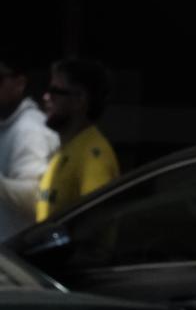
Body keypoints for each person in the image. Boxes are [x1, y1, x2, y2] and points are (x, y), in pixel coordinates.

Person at [36, 57, 117, 222]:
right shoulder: (65, 149)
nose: (46, 97)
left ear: (80, 100)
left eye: (55, 92)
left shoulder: (94, 158)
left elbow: (95, 229)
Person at [0, 54, 57, 238]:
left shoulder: (30, 130)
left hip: (18, 256)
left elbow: (36, 198)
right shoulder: (7, 124)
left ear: (20, 83)